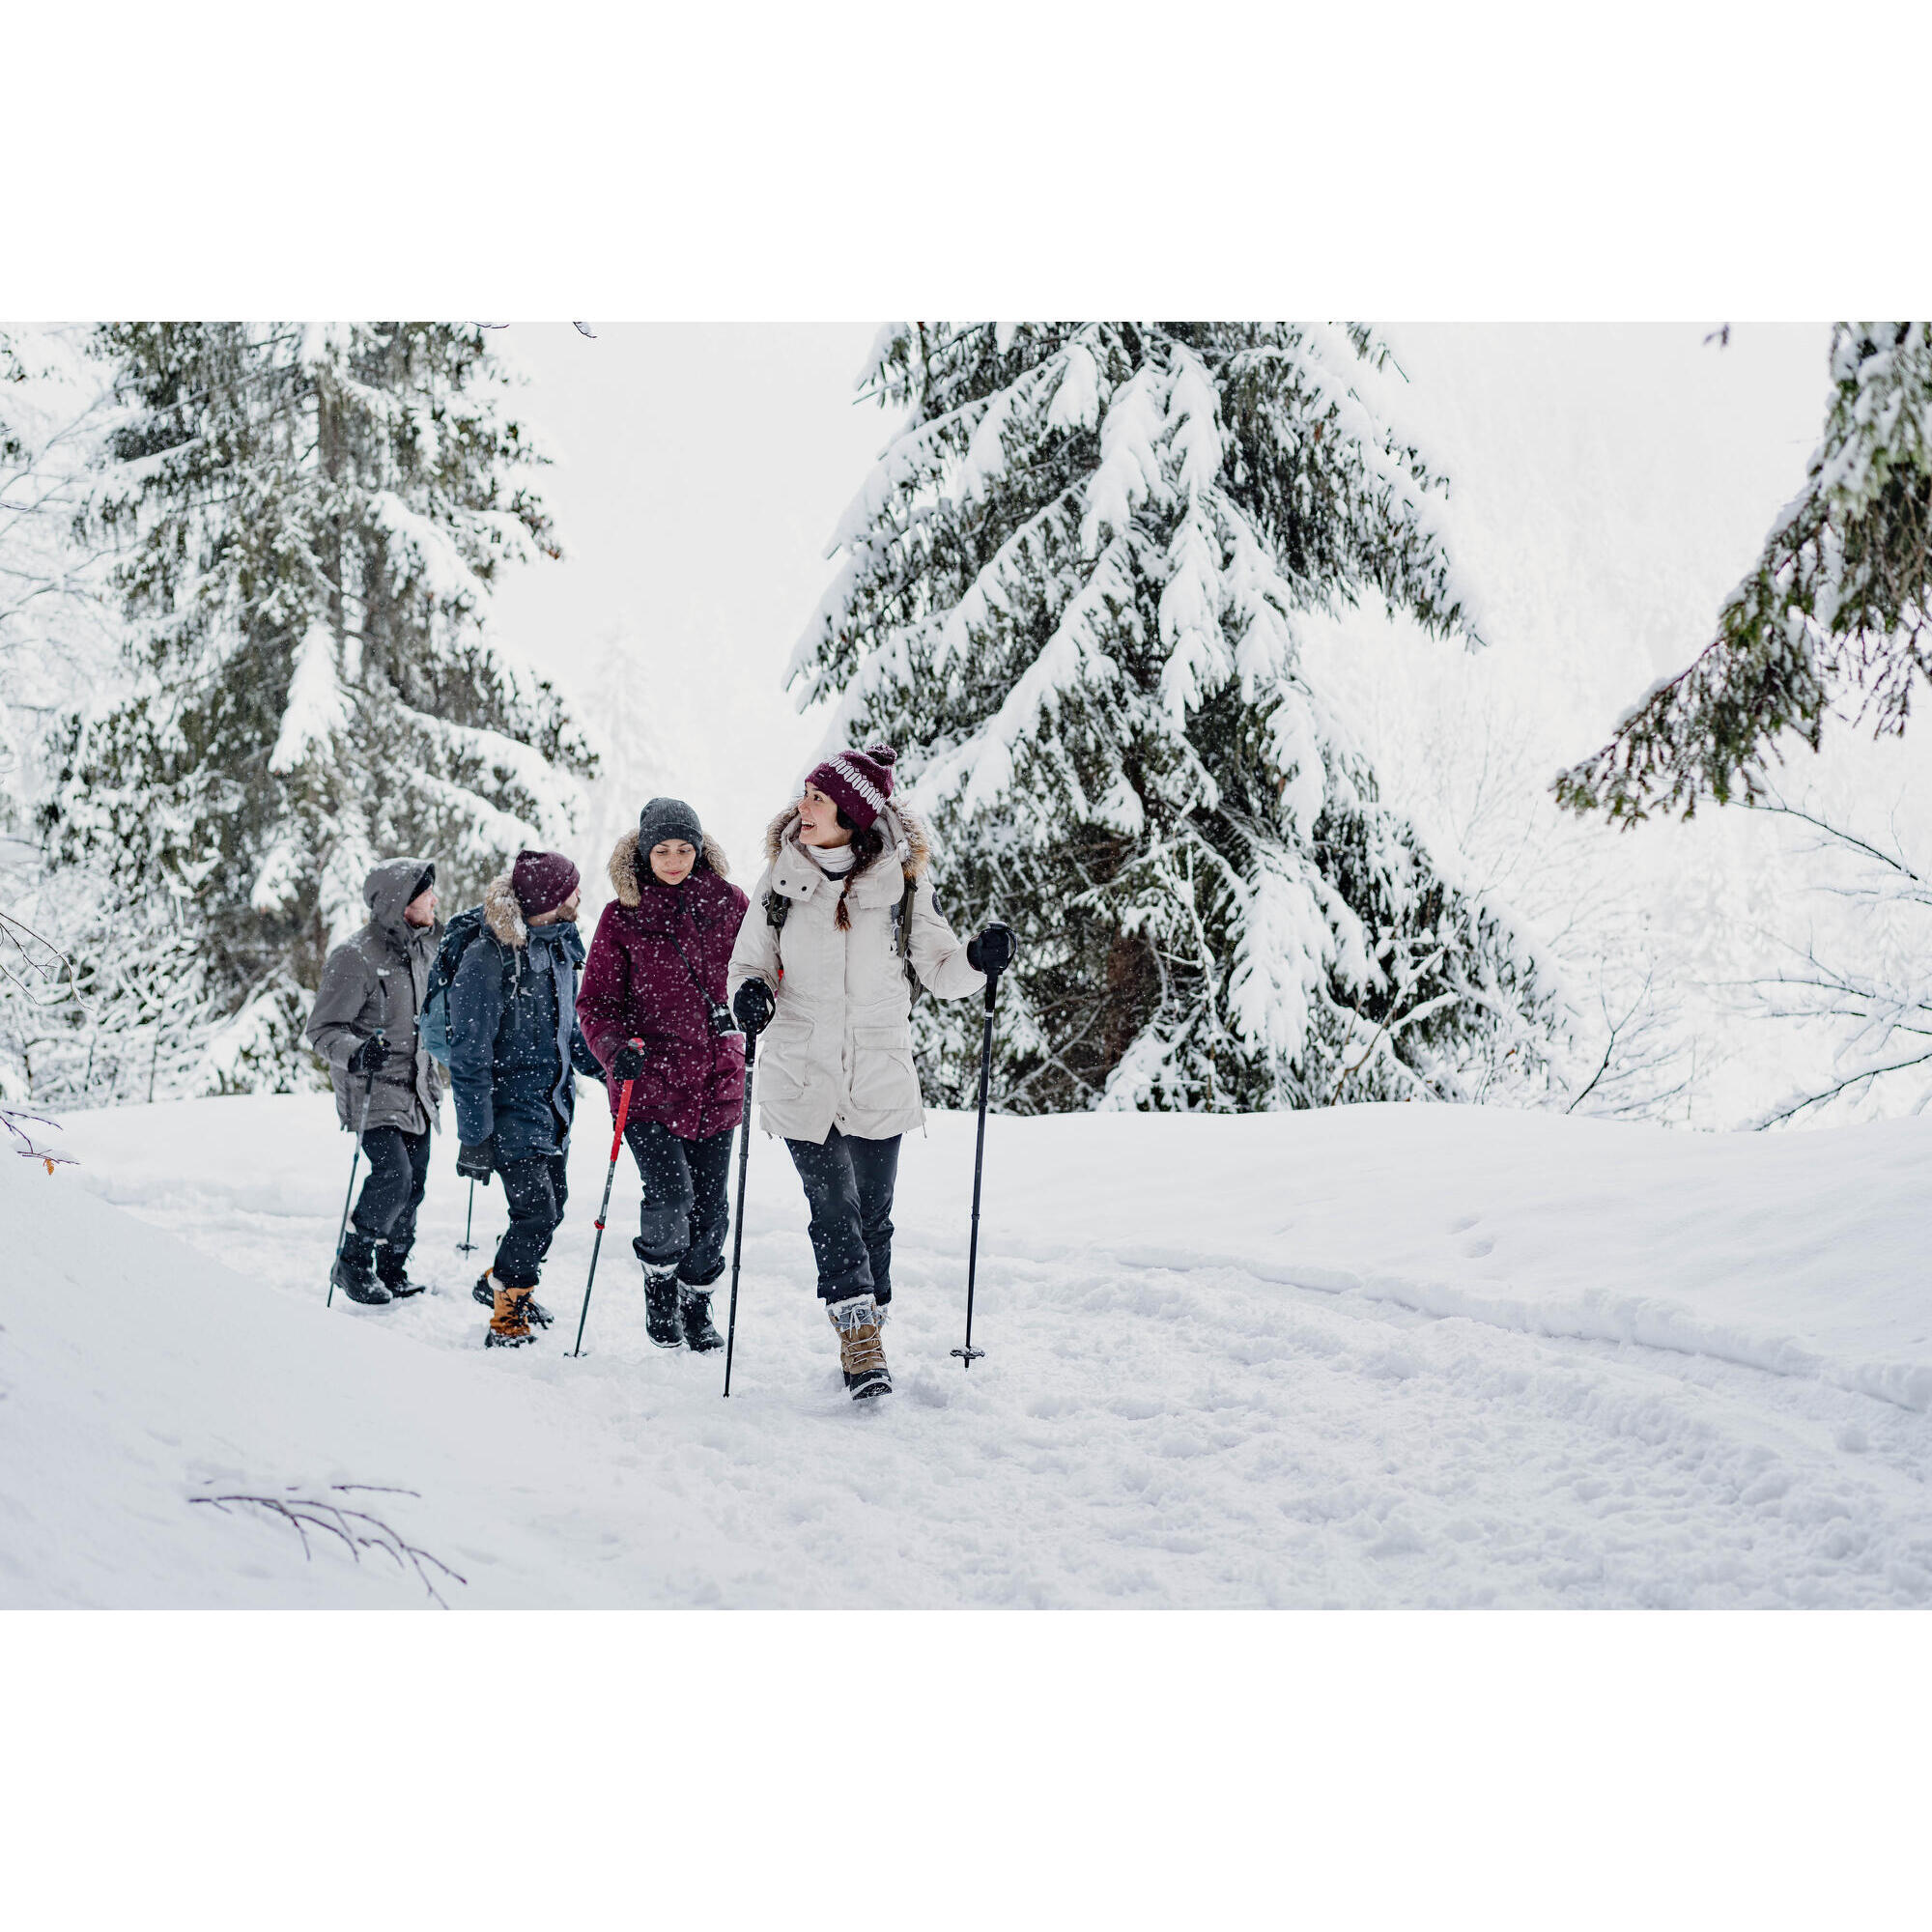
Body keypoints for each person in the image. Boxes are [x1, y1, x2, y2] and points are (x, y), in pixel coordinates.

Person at [726, 745, 1014, 1401]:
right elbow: (746, 967)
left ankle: (869, 1315)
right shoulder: (779, 883)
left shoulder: (900, 888)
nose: (802, 806)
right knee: (832, 1207)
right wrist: (749, 997)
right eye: (804, 794)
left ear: (852, 815)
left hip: (878, 1074)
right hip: (801, 1073)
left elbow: (942, 969)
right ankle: (859, 1333)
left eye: (817, 799)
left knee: (872, 1217)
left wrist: (976, 958)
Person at [577, 798, 749, 1352]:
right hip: (647, 1085)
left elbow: (766, 970)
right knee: (671, 1196)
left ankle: (697, 1300)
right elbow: (596, 1002)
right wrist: (613, 1048)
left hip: (717, 1082)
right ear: (643, 852)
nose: (673, 860)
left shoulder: (731, 905)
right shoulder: (621, 916)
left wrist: (755, 1004)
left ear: (699, 850)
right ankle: (659, 1282)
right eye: (662, 850)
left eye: (683, 849)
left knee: (712, 1207)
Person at [446, 849, 607, 1350]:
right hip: (509, 1107)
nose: (580, 896)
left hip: (553, 1106)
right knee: (535, 1211)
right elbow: (467, 1056)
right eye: (573, 889)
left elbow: (570, 1032)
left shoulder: (560, 947)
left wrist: (608, 1069)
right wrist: (474, 1136)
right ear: (552, 899)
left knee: (553, 1208)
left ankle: (500, 1278)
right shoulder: (487, 958)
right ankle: (506, 1316)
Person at [307, 857, 445, 1306]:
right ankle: (351, 1262)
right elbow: (322, 1030)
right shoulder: (355, 956)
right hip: (372, 1087)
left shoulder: (427, 947)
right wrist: (357, 1051)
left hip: (417, 1087)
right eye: (426, 894)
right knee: (394, 1175)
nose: (435, 900)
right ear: (401, 902)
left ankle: (393, 1267)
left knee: (416, 1181)